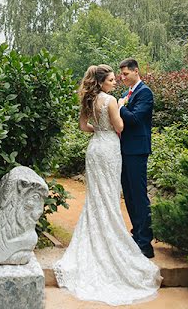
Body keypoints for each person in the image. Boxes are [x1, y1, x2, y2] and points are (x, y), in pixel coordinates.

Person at [53, 64, 162, 305]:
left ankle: (136, 238)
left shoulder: (87, 100)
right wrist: (119, 109)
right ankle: (126, 239)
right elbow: (120, 126)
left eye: (120, 76)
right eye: (113, 78)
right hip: (111, 149)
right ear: (102, 81)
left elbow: (83, 127)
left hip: (95, 148)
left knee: (96, 197)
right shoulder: (112, 100)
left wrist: (98, 130)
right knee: (110, 197)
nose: (117, 81)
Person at [117, 57, 155, 258]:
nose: (122, 77)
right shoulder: (125, 94)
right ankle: (136, 234)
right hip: (124, 150)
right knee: (129, 195)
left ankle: (145, 243)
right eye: (121, 74)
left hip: (137, 150)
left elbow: (134, 119)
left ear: (136, 71)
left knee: (139, 195)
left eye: (125, 74)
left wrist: (120, 106)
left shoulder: (145, 93)